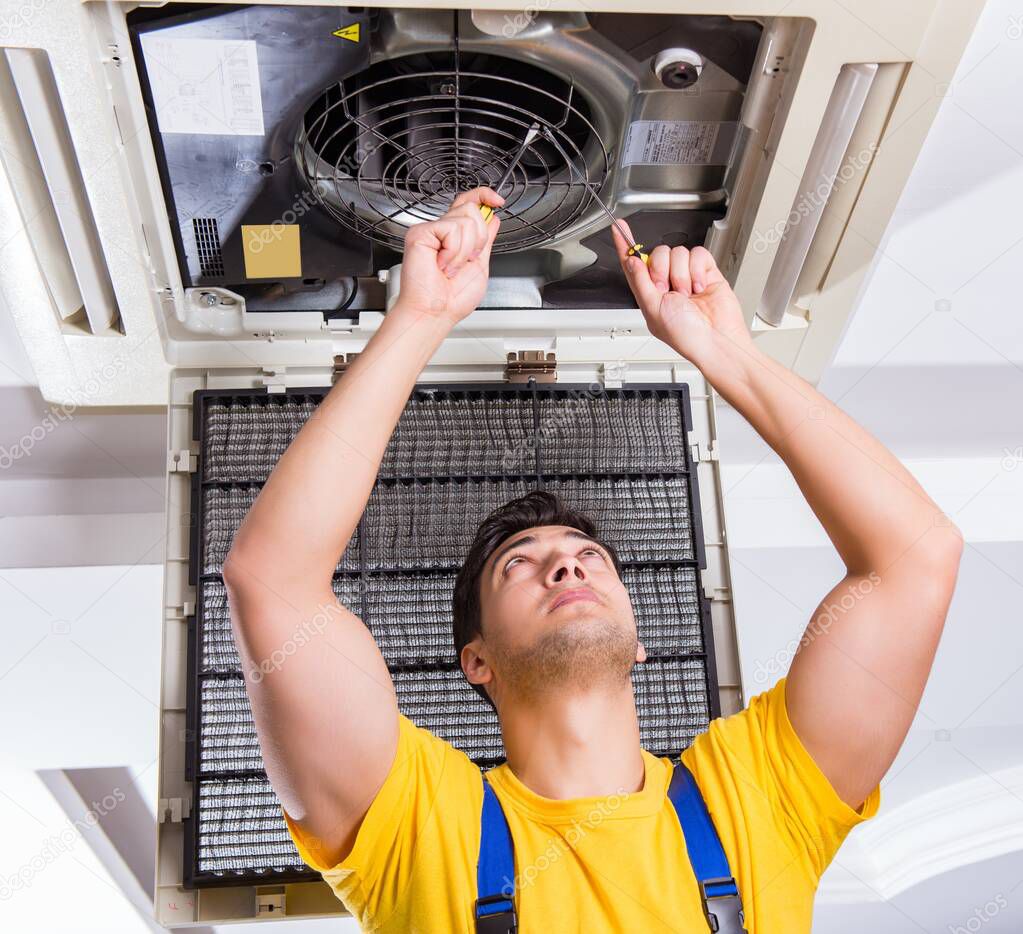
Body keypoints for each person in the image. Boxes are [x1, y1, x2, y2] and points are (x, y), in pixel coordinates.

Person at [222, 187, 963, 931]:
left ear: (641, 644)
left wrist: (726, 352)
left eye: (588, 557)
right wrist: (419, 317)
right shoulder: (417, 826)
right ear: (474, 660)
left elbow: (914, 555)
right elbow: (272, 582)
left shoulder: (758, 792)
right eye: (518, 563)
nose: (566, 566)